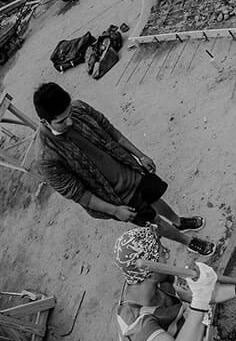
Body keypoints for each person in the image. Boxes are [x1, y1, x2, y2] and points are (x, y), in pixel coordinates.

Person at [33, 82, 216, 256]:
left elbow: (112, 132)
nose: (71, 122)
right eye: (62, 121)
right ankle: (187, 241)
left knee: (154, 198)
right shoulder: (46, 157)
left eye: (70, 113)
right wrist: (114, 210)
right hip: (117, 197)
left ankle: (178, 222)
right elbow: (79, 194)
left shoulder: (80, 108)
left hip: (130, 169)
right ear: (45, 121)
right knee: (154, 221)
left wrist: (140, 156)